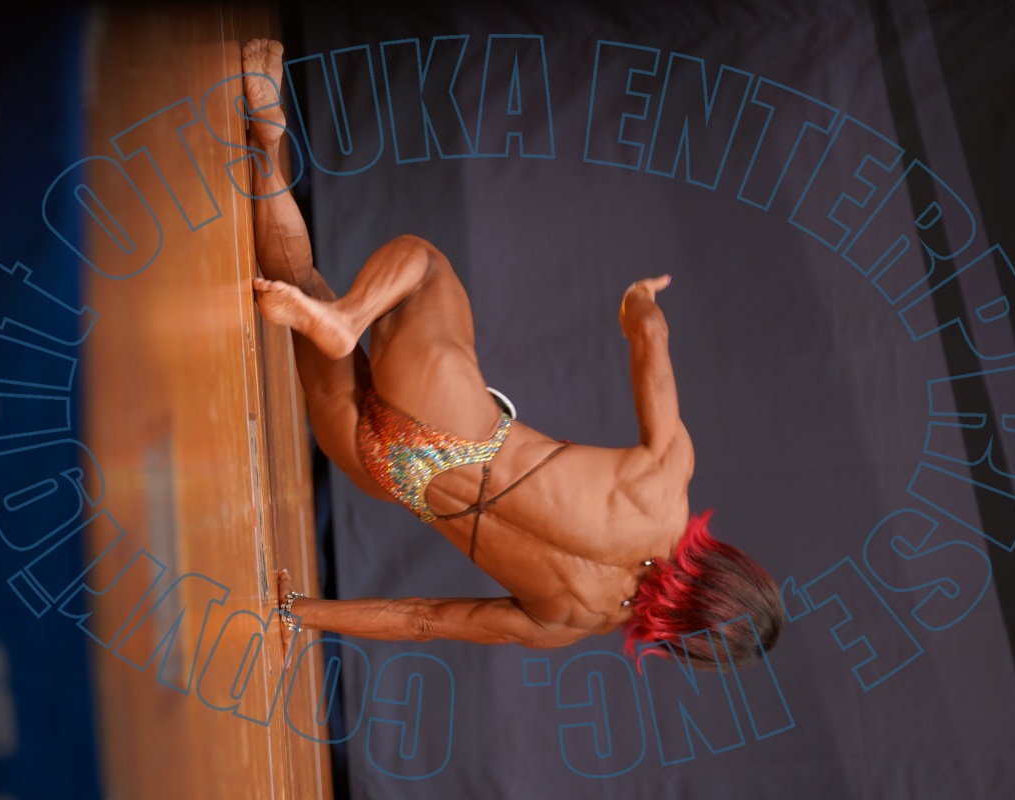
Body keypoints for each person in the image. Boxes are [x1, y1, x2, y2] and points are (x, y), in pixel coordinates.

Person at [240, 39, 782, 671]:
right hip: (384, 469)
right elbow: (424, 619)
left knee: (422, 264)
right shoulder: (575, 621)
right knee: (300, 285)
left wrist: (639, 300)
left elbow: (650, 340)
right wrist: (297, 612)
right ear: (688, 638)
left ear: (727, 565)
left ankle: (344, 310)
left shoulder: (665, 482)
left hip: (449, 410)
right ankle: (266, 151)